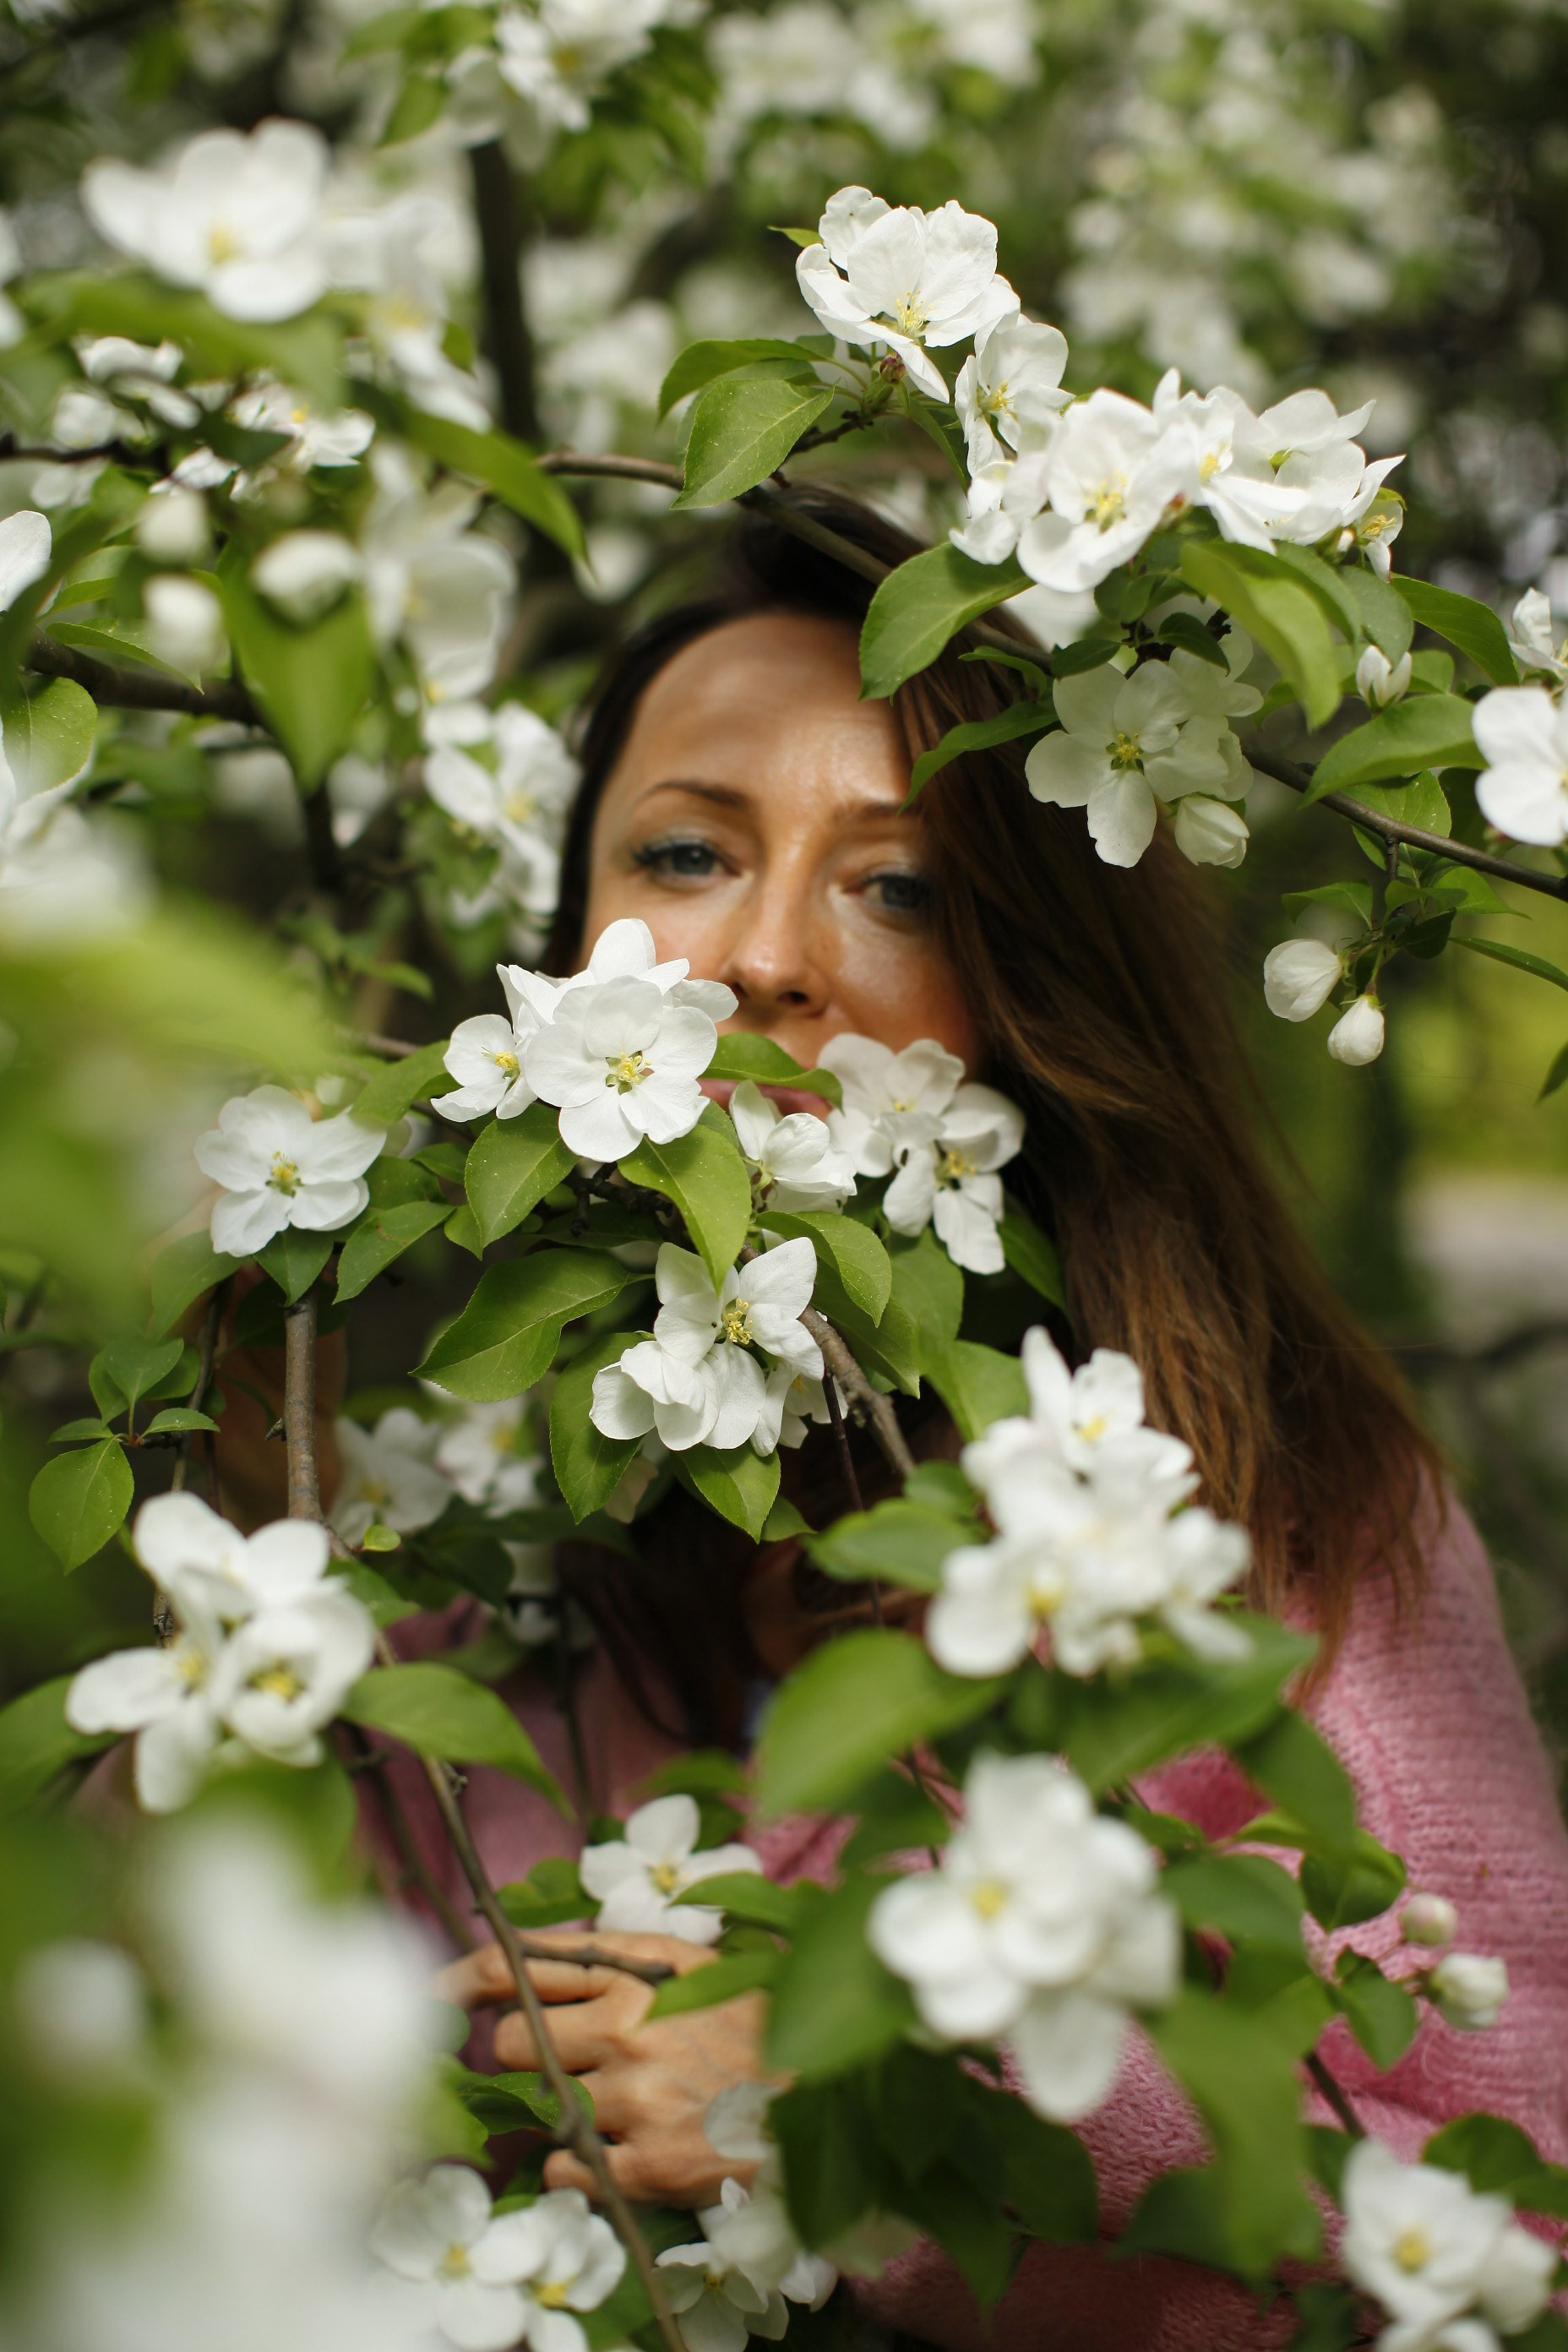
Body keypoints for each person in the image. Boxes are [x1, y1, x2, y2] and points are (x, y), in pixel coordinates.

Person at [313, 493, 1568, 2351]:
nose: (760, 960)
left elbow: (1503, 2202)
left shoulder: (1280, 1529)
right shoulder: (496, 1519)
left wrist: (862, 2138)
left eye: (896, 883)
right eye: (679, 852)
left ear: (1029, 989)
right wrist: (240, 1480)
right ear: (571, 939)